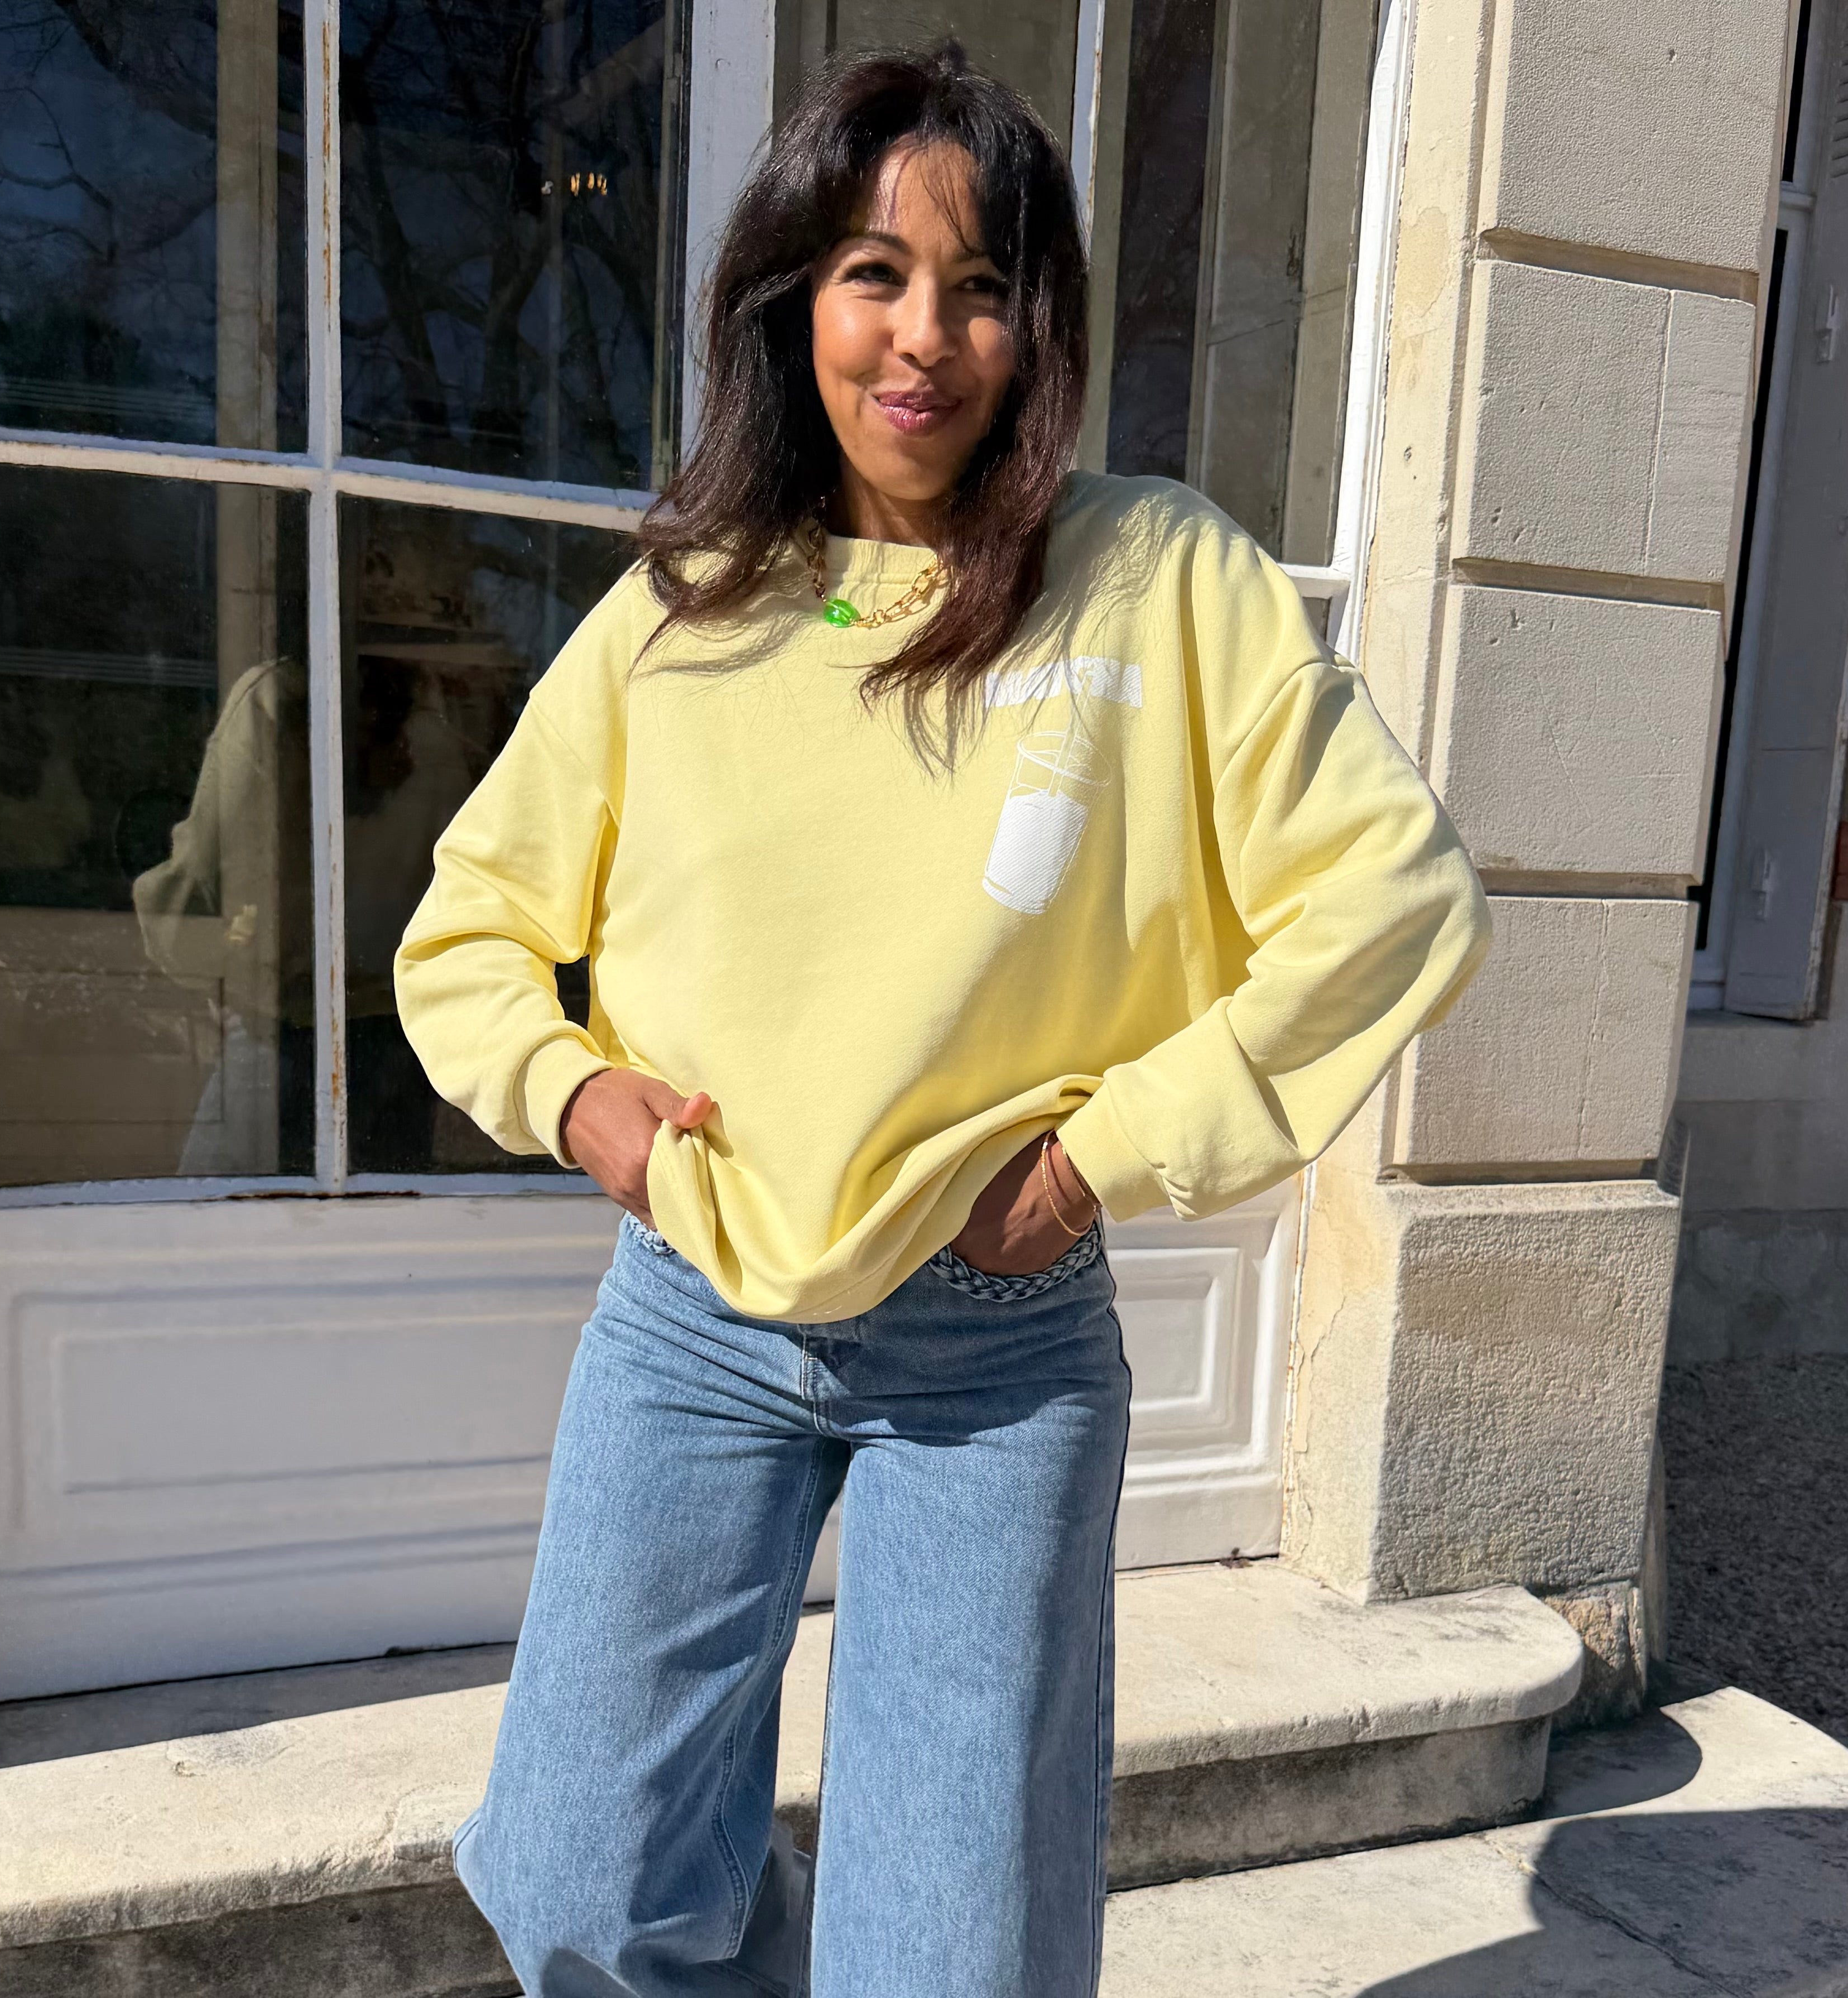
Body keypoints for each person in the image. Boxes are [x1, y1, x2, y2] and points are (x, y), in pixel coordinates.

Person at [394, 43, 1490, 1998]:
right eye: (873, 274)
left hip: (986, 1348)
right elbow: (468, 931)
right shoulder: (688, 608)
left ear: (1038, 323)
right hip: (700, 1316)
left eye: (982, 286)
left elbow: (1391, 896)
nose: (925, 339)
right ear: (791, 297)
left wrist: (1098, 1162)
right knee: (574, 1876)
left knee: (946, 1963)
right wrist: (582, 1105)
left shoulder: (1150, 579)